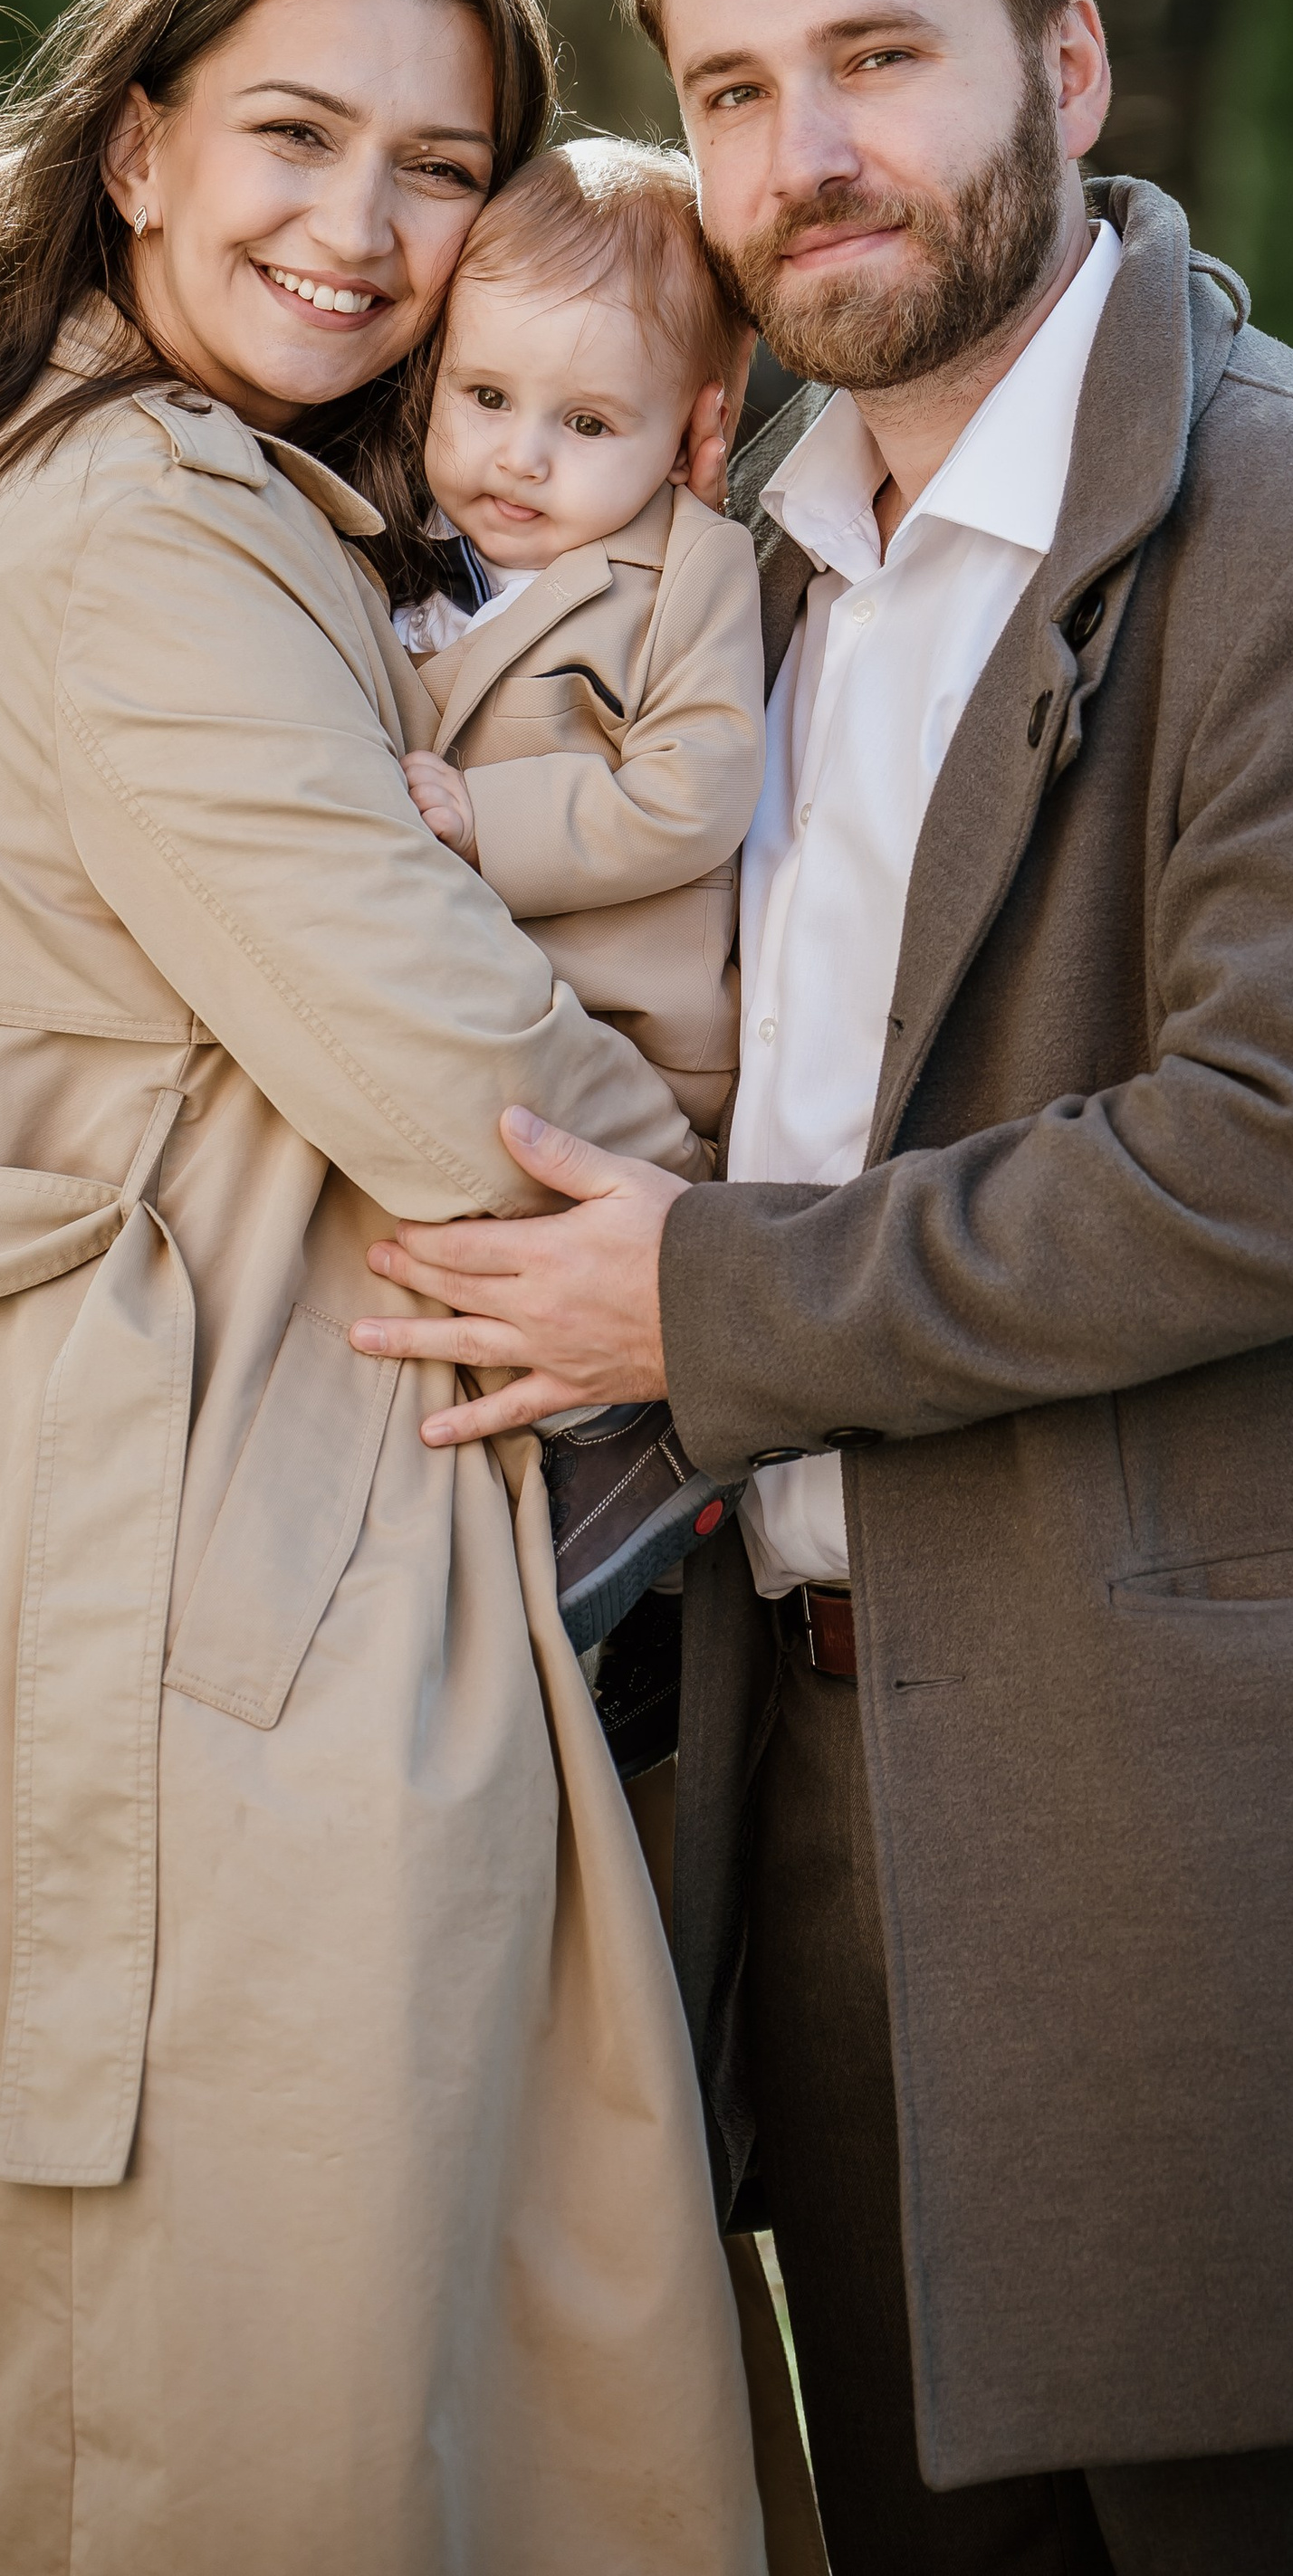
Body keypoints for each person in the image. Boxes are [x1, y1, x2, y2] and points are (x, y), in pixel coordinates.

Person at [349, 0, 1293, 2576]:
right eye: (728, 90)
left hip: (1205, 1818)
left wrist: (691, 1315)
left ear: (1068, 68)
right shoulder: (752, 552)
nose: (802, 153)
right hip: (834, 1789)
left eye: (879, 57)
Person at [0, 0, 765, 2576]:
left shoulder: (294, 514)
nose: (364, 228)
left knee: (391, 2380)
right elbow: (481, 1084)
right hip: (219, 1569)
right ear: (134, 145)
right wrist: (806, 1259)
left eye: (440, 166)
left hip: (309, 1523)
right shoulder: (141, 541)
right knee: (247, 2398)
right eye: (290, 136)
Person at [388, 135, 765, 1646]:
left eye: (587, 420)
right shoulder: (422, 561)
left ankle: (638, 1456)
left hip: (631, 1037)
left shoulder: (689, 575)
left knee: (546, 1233)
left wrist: (487, 818)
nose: (518, 458)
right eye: (484, 399)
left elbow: (696, 788)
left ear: (695, 432)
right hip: (482, 1009)